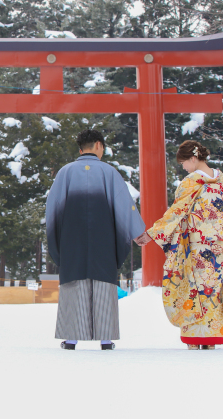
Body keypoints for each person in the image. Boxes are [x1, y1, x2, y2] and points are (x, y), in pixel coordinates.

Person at [134, 140, 223, 350]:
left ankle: (195, 337)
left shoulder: (192, 182)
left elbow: (176, 212)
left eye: (184, 162)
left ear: (193, 158)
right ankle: (212, 337)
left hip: (196, 246)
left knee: (195, 287)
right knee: (215, 288)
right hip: (220, 247)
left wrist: (152, 234)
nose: (183, 167)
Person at [46, 129, 145, 350]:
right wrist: (138, 232)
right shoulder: (109, 173)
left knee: (74, 280)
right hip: (104, 238)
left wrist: (57, 238)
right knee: (103, 282)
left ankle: (71, 338)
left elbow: (53, 208)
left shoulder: (65, 172)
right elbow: (124, 206)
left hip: (72, 237)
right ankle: (105, 338)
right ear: (99, 146)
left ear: (80, 149)